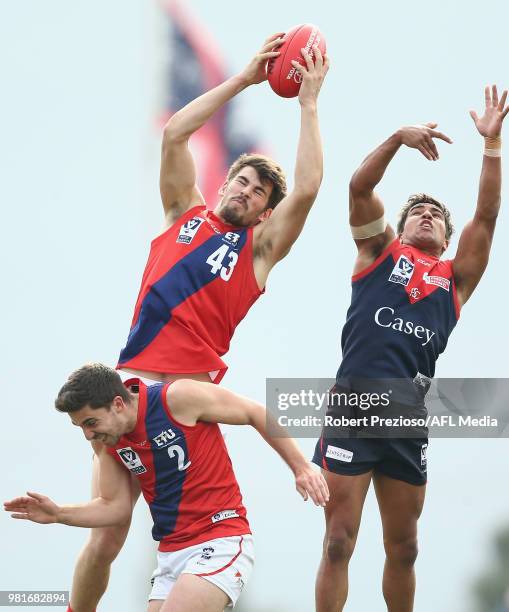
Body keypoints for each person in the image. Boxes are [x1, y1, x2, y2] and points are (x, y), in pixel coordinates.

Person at [65, 34, 329, 612]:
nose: (246, 189)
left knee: (196, 531)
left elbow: (307, 187)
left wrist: (308, 103)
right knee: (106, 534)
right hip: (127, 394)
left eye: (259, 191)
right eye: (241, 180)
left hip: (184, 403)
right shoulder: (182, 212)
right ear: (226, 182)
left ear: (264, 211)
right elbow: (175, 132)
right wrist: (243, 80)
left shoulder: (257, 253)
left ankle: (206, 585)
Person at [312, 85, 509, 612]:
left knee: (405, 547)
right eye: (417, 211)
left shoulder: (456, 281)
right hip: (353, 405)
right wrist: (399, 138)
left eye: (436, 216)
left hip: (405, 417)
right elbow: (358, 187)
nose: (427, 215)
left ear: (446, 240)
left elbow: (486, 219)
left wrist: (492, 147)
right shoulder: (377, 253)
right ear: (397, 230)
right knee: (338, 541)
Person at [5, 363, 329, 612]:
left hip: (220, 541)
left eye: (91, 423)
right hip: (171, 555)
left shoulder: (177, 398)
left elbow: (254, 411)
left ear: (118, 403)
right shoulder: (110, 442)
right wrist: (59, 513)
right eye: (80, 428)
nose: (89, 435)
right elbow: (113, 507)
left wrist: (300, 467)